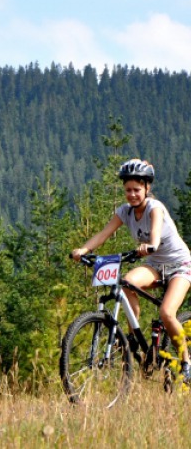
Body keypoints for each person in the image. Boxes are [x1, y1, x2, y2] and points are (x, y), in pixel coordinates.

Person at [71, 158, 191, 382]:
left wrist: (150, 245)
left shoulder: (155, 208)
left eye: (137, 189)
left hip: (180, 265)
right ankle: (134, 335)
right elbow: (104, 234)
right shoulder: (125, 212)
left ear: (147, 188)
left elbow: (155, 232)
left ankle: (187, 361)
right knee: (126, 282)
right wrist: (83, 250)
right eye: (128, 190)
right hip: (155, 265)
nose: (132, 194)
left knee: (166, 313)